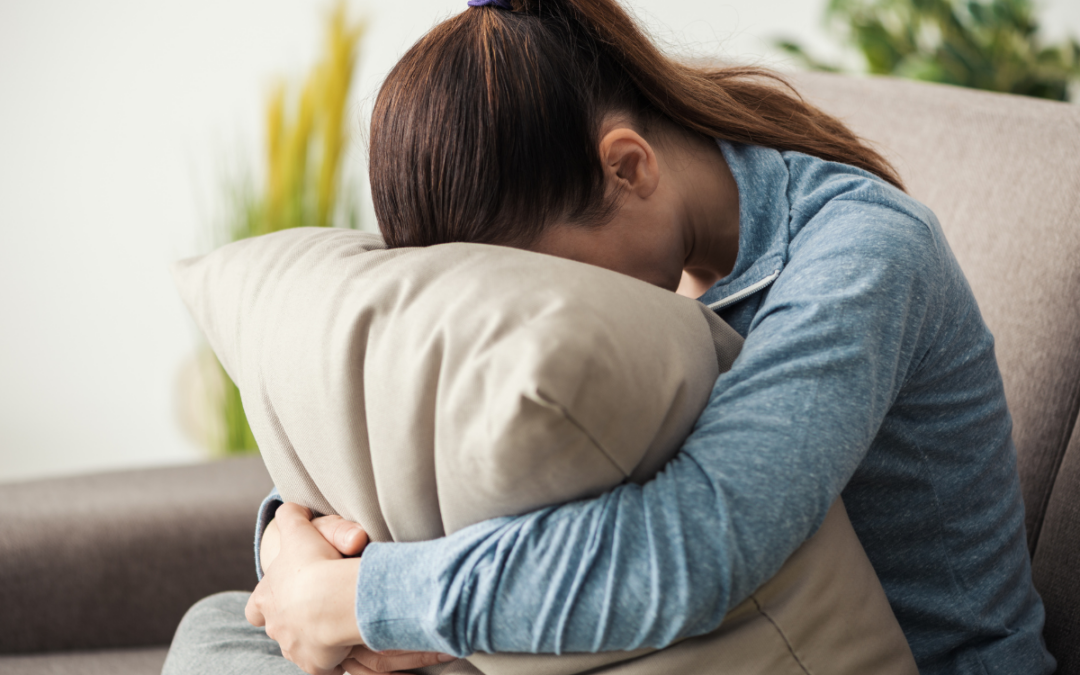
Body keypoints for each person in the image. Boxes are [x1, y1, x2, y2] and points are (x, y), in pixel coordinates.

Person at [169, 0, 1057, 673]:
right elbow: (428, 431)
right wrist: (291, 544)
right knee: (220, 627)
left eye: (546, 289)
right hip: (677, 641)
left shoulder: (864, 255)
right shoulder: (652, 268)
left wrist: (365, 600)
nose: (539, 325)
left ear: (628, 167)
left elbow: (700, 542)